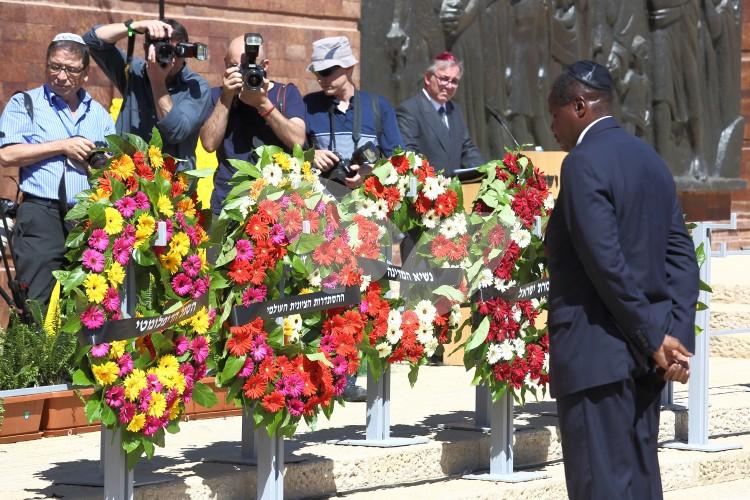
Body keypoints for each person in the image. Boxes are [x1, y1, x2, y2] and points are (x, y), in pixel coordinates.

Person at [544, 60, 699, 499]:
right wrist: (675, 339)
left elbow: (605, 263)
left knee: (602, 487)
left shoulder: (582, 164)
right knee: (639, 484)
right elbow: (682, 260)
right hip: (645, 359)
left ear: (578, 106)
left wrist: (657, 340)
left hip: (598, 357)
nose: (552, 128)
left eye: (554, 115)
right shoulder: (650, 160)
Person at [0, 33, 116, 309]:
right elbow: (7, 154)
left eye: (71, 69)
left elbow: (113, 166)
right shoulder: (25, 104)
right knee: (35, 307)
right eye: (55, 66)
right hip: (41, 215)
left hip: (89, 219)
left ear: (86, 73)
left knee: (86, 306)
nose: (61, 75)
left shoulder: (99, 114)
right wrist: (62, 146)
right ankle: (29, 354)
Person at [83, 18, 211, 170]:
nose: (170, 58)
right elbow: (90, 41)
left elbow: (176, 132)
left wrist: (157, 82)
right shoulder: (134, 72)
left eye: (174, 51)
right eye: (164, 50)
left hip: (170, 188)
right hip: (125, 180)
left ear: (185, 52)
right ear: (146, 49)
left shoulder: (196, 87)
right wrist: (133, 27)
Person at [200, 34, 305, 215]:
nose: (244, 72)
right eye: (235, 66)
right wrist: (226, 97)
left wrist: (262, 104)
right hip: (228, 204)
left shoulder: (286, 94)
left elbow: (298, 141)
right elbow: (208, 144)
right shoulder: (217, 96)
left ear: (265, 66)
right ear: (225, 64)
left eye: (251, 67)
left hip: (277, 206)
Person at [304, 36, 404, 190]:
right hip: (320, 206)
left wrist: (370, 173)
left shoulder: (379, 106)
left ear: (349, 67)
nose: (320, 79)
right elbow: (291, 154)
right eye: (316, 73)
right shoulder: (308, 105)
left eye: (326, 71)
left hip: (368, 206)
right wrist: (311, 155)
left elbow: (399, 160)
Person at [396, 51, 483, 179]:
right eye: (444, 79)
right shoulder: (409, 110)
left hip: (456, 192)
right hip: (426, 190)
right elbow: (410, 155)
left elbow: (467, 148)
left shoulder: (455, 109)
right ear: (427, 78)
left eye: (454, 81)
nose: (449, 86)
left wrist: (484, 172)